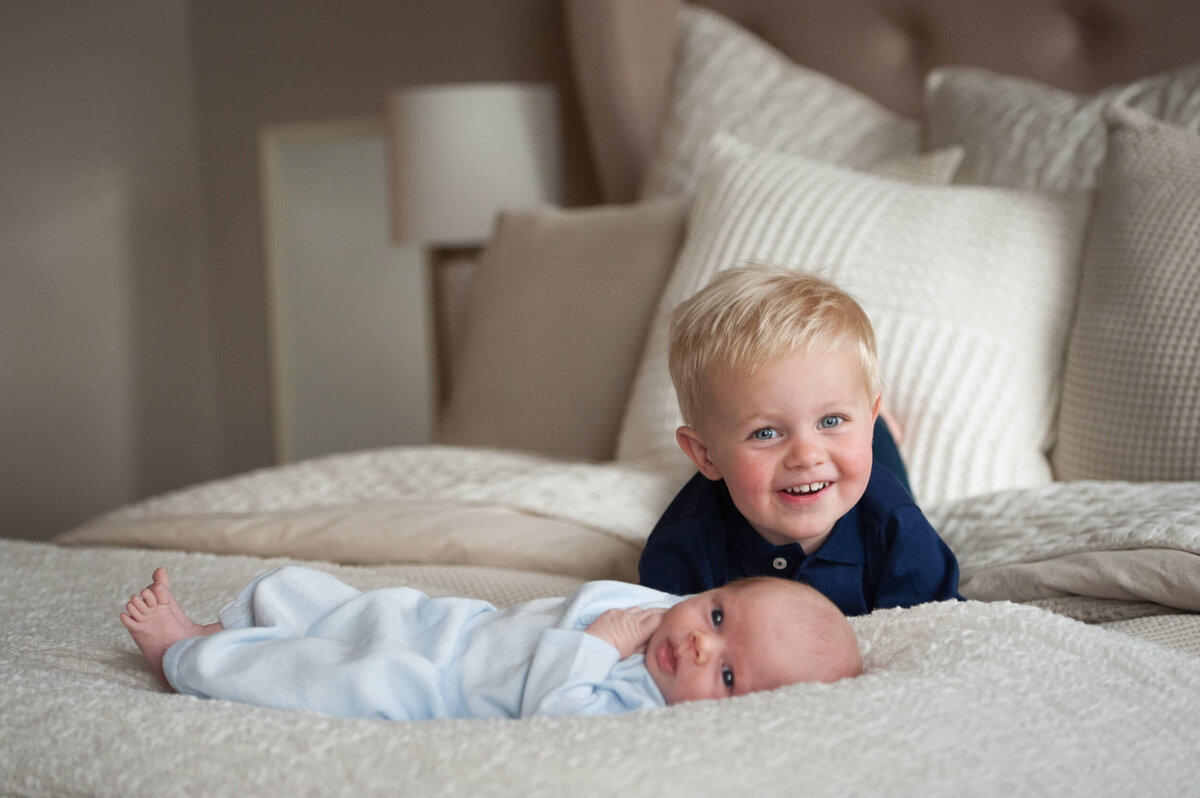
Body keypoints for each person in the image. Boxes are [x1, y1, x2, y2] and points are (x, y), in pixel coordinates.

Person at [120, 565, 861, 721]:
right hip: (456, 627)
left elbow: (557, 715)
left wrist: (602, 642)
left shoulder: (643, 707)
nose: (700, 646)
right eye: (719, 619)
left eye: (728, 678)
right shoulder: (675, 620)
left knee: (320, 676)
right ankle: (251, 615)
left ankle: (188, 656)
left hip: (435, 686)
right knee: (330, 598)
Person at [638, 266, 963, 615]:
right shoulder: (682, 548)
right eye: (766, 432)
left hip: (872, 463)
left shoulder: (897, 525)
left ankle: (881, 430)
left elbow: (938, 622)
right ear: (705, 456)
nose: (806, 455)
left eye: (830, 419)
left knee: (880, 459)